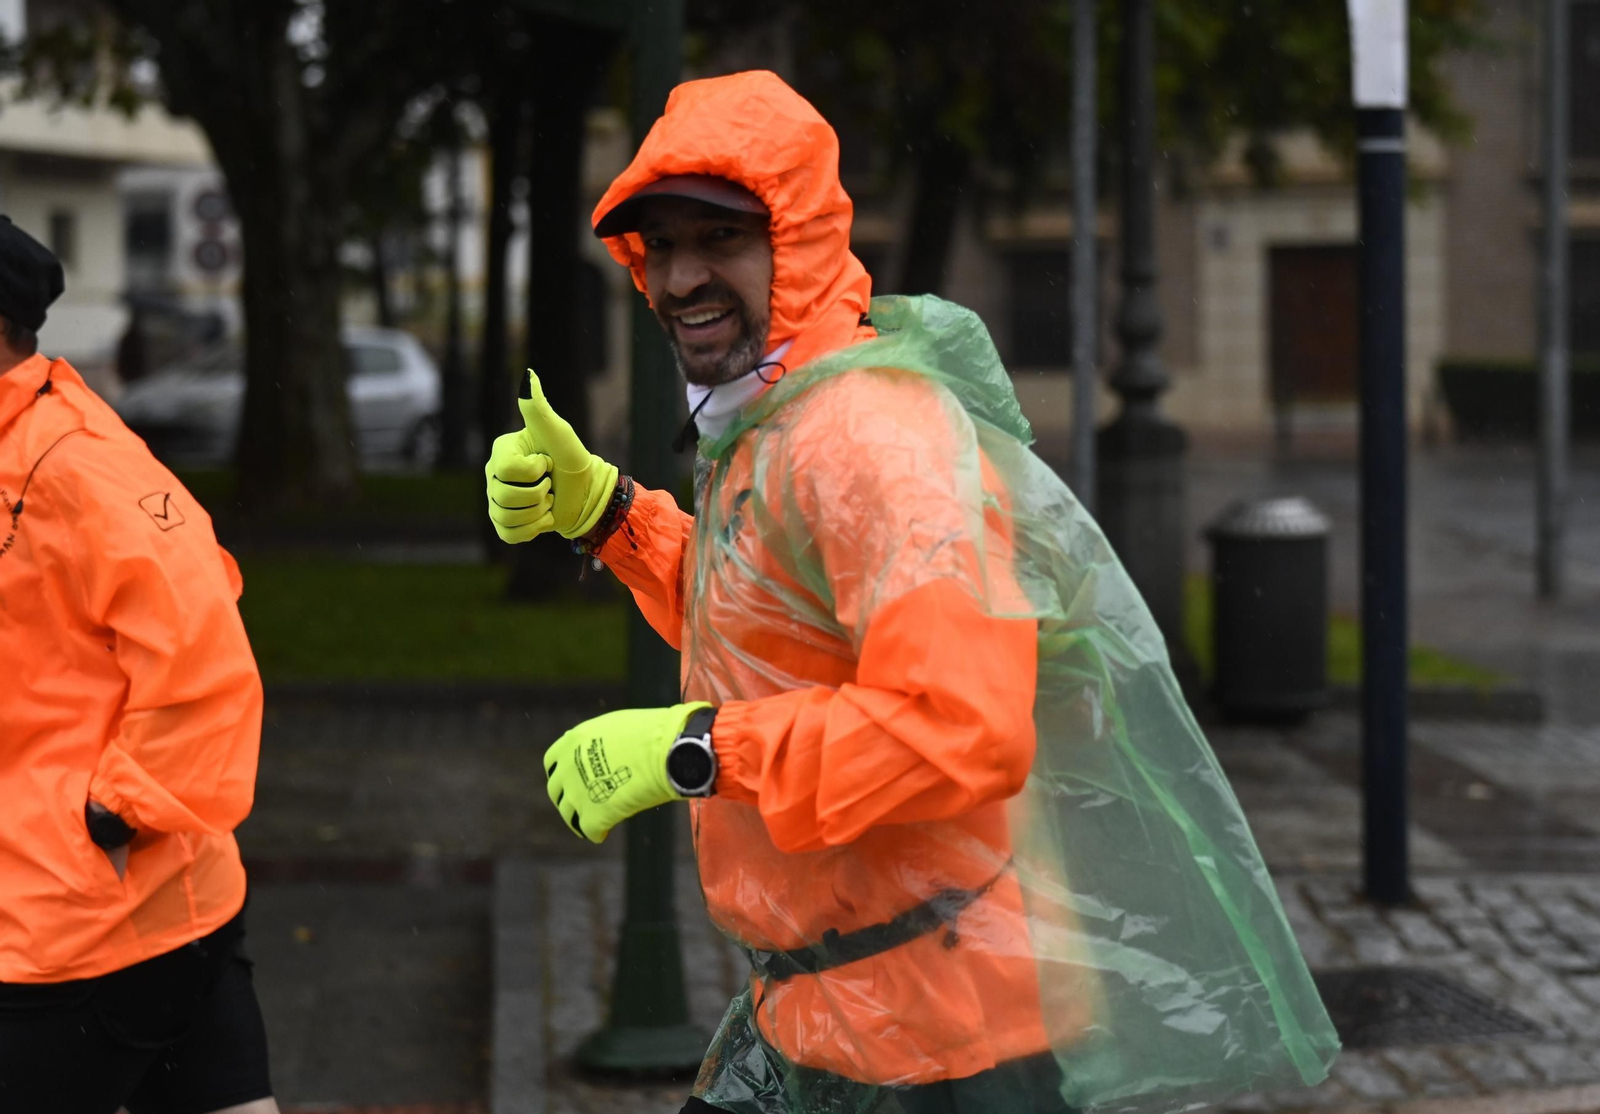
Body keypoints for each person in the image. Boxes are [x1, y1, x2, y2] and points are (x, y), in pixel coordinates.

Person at [487, 72, 1337, 1114]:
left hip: (945, 1038)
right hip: (827, 1011)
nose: (680, 275)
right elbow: (766, 627)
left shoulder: (869, 441)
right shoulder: (776, 421)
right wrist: (616, 518)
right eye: (659, 245)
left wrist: (697, 750)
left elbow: (960, 727)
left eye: (718, 239)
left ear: (790, 240)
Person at [0, 215, 277, 1114]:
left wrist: (112, 817)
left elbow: (202, 652)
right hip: (127, 906)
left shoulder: (70, 462)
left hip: (80, 919)